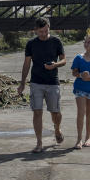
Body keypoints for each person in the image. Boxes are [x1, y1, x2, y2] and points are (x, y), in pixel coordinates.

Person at [17, 17, 66, 153]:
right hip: (36, 82)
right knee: (37, 112)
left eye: (45, 31)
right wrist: (22, 83)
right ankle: (39, 142)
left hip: (52, 82)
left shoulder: (56, 41)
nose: (43, 34)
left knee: (55, 112)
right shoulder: (31, 44)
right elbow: (26, 64)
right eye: (40, 32)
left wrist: (55, 65)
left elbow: (64, 60)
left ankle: (57, 129)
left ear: (49, 27)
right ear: (35, 31)